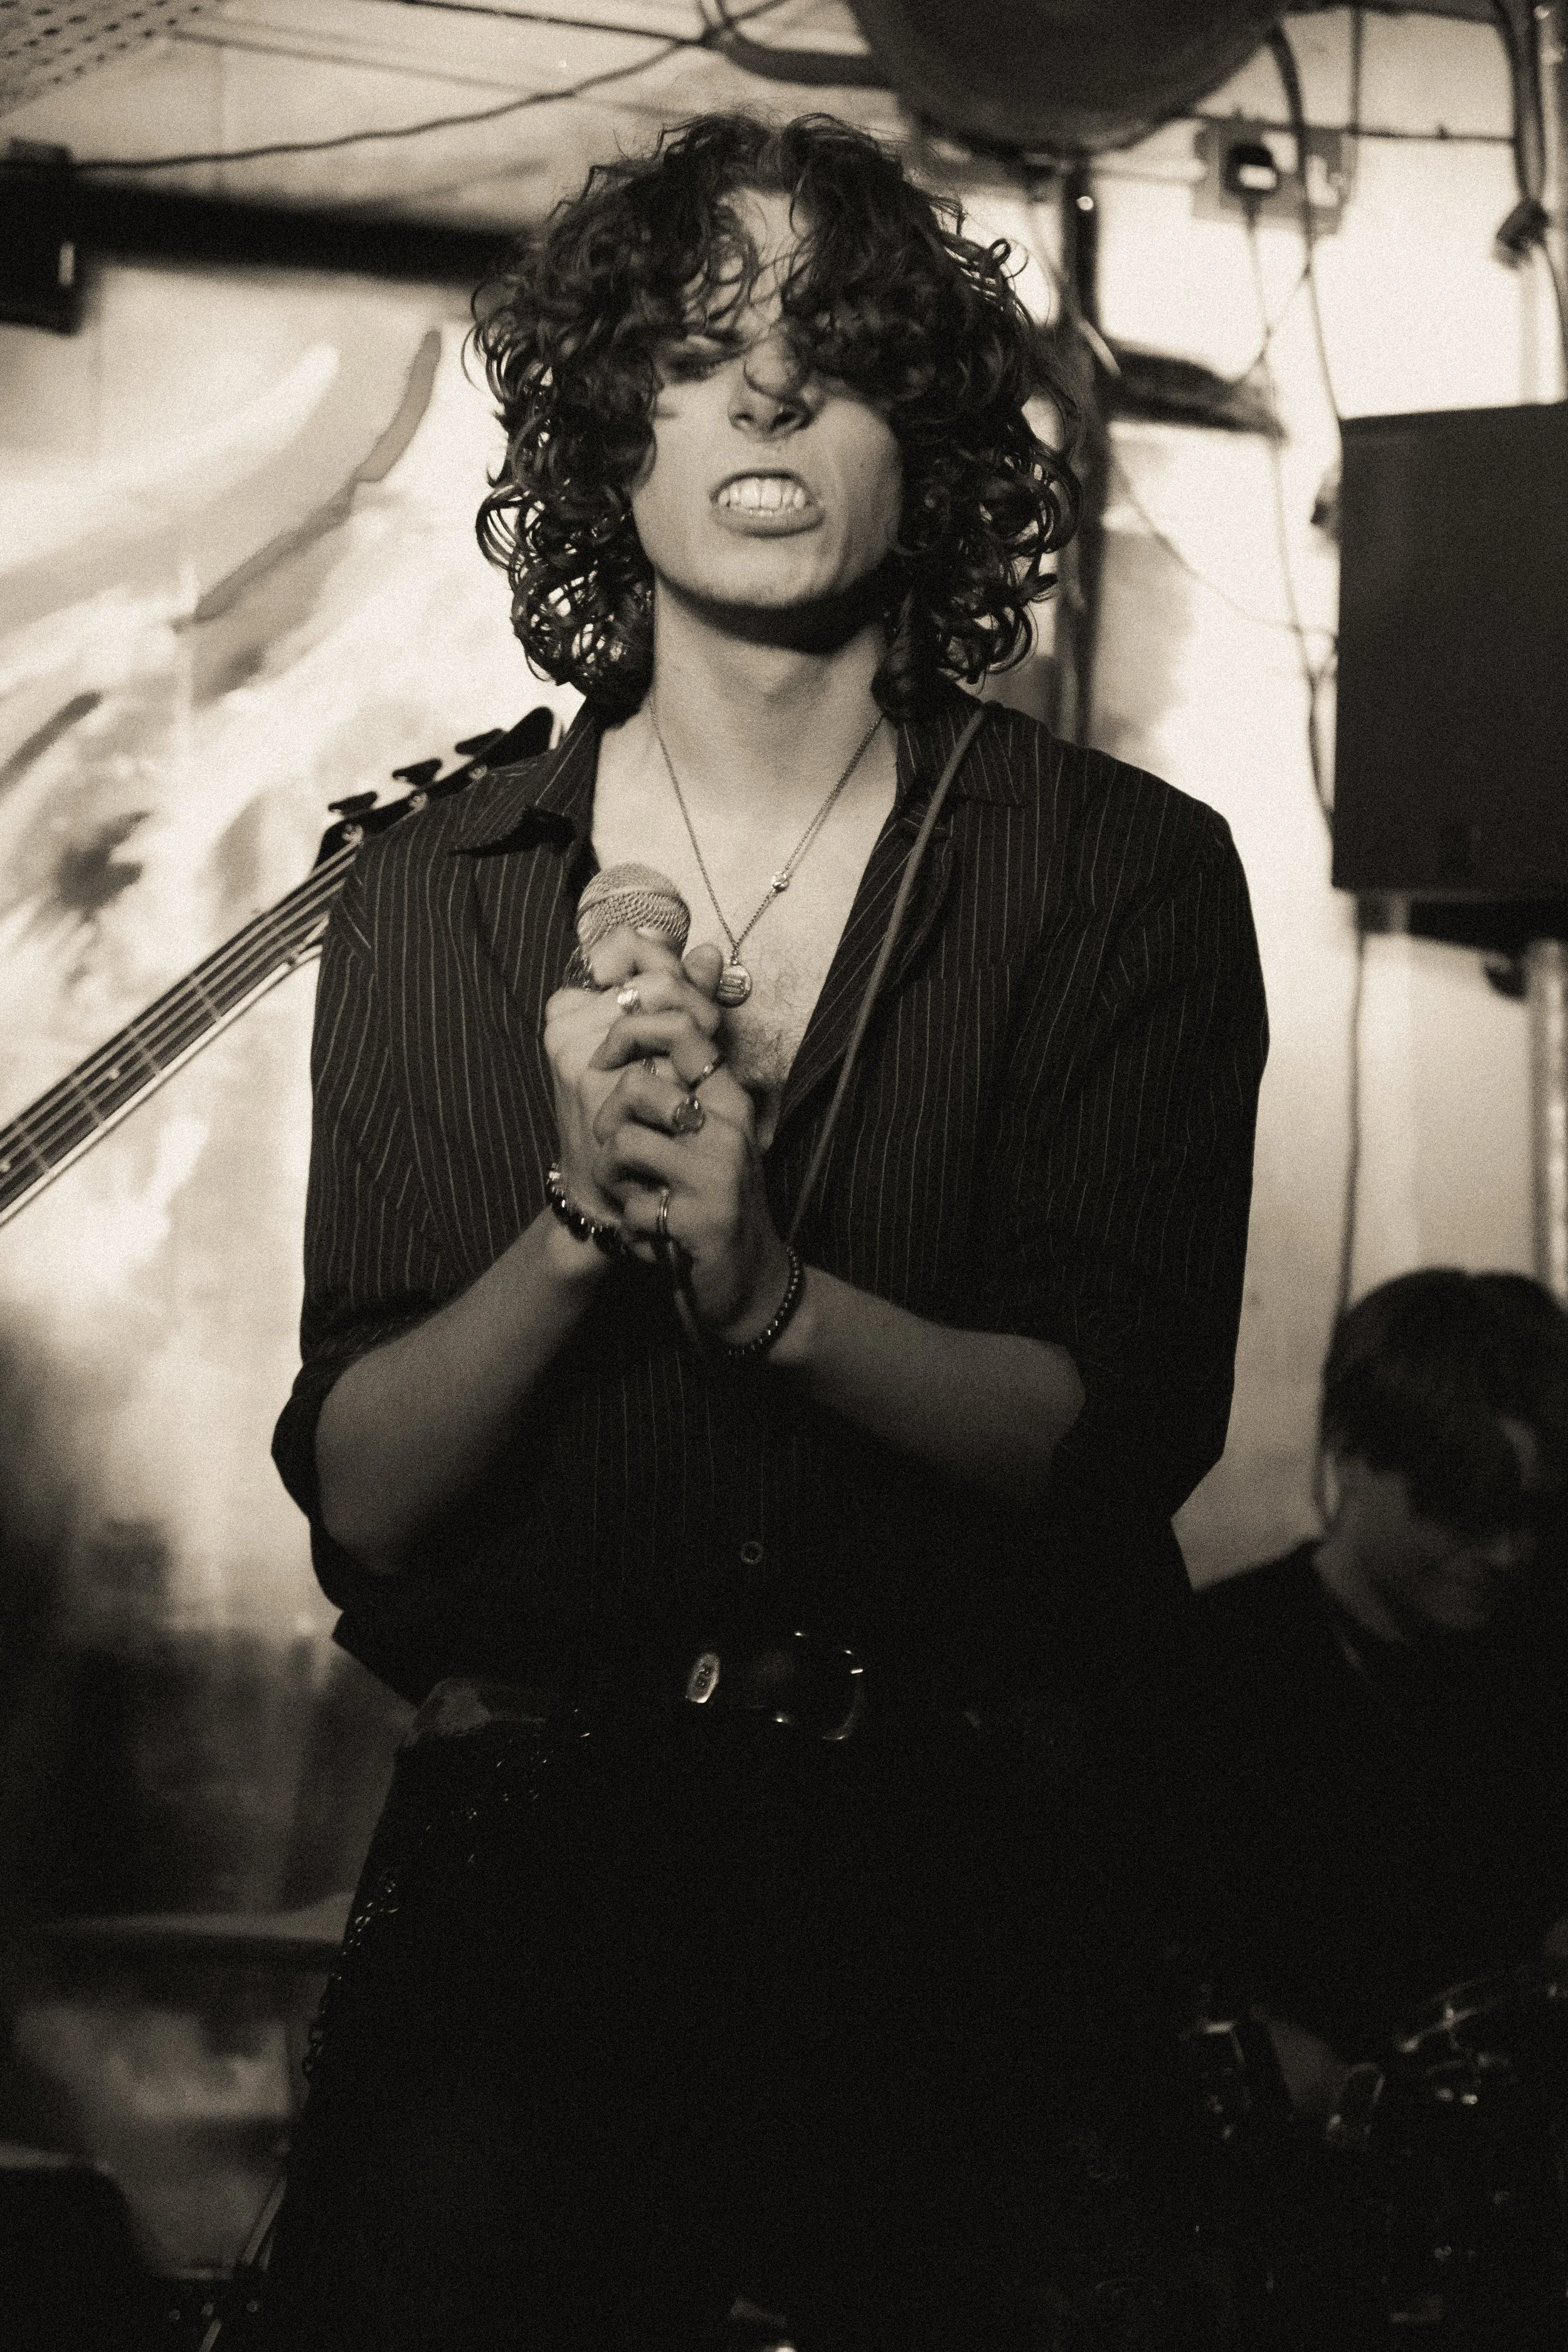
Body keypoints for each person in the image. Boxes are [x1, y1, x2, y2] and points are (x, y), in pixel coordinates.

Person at [264, 112, 1268, 2350]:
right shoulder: (442, 885)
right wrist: (576, 1233)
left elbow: (1107, 1445)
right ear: (610, 439)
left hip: (959, 1884)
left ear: (926, 434)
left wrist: (779, 1300)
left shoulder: (1116, 877)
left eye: (837, 349)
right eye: (700, 350)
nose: (771, 395)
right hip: (522, 1895)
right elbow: (369, 1501)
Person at [1196, 1268, 1568, 2128]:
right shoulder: (1221, 1667)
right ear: (1353, 1453)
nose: (1506, 1552)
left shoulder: (1531, 1655)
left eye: (1526, 1515)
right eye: (1463, 1510)